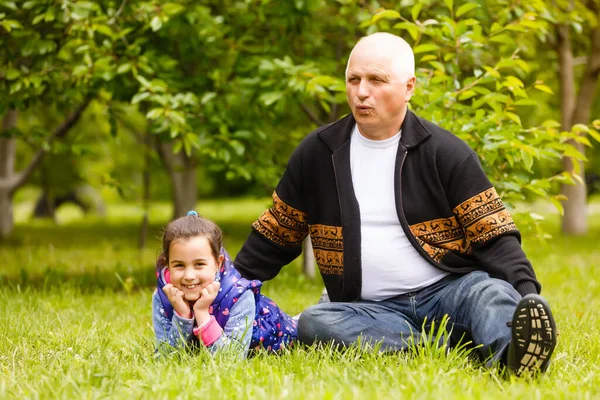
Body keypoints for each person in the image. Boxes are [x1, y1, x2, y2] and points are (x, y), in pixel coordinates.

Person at [233, 32, 557, 375]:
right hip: (370, 309)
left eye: (376, 80)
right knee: (316, 322)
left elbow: (496, 238)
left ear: (409, 87)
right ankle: (441, 345)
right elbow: (274, 237)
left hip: (450, 291)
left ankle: (514, 354)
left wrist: (527, 301)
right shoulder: (317, 154)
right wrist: (227, 288)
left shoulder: (446, 153)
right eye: (354, 79)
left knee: (490, 294)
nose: (361, 92)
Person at [152, 211, 297, 358]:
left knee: (306, 325)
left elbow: (231, 358)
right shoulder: (164, 296)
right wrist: (182, 316)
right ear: (167, 264)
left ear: (217, 263)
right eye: (179, 265)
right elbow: (165, 358)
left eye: (199, 264)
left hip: (282, 333)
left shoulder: (239, 295)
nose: (189, 276)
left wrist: (202, 313)